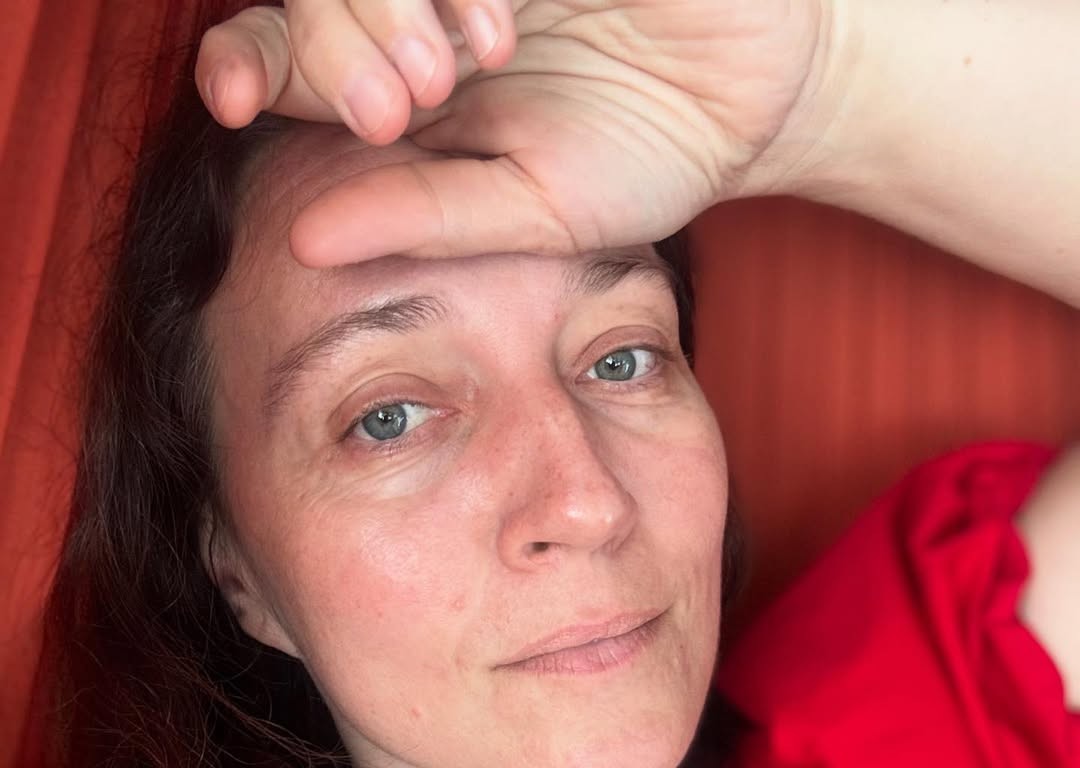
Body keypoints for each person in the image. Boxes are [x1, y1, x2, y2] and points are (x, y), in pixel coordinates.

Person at [45, 1, 1078, 767]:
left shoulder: (879, 727)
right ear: (235, 569)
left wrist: (828, 80)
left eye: (621, 360)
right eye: (389, 417)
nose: (587, 503)